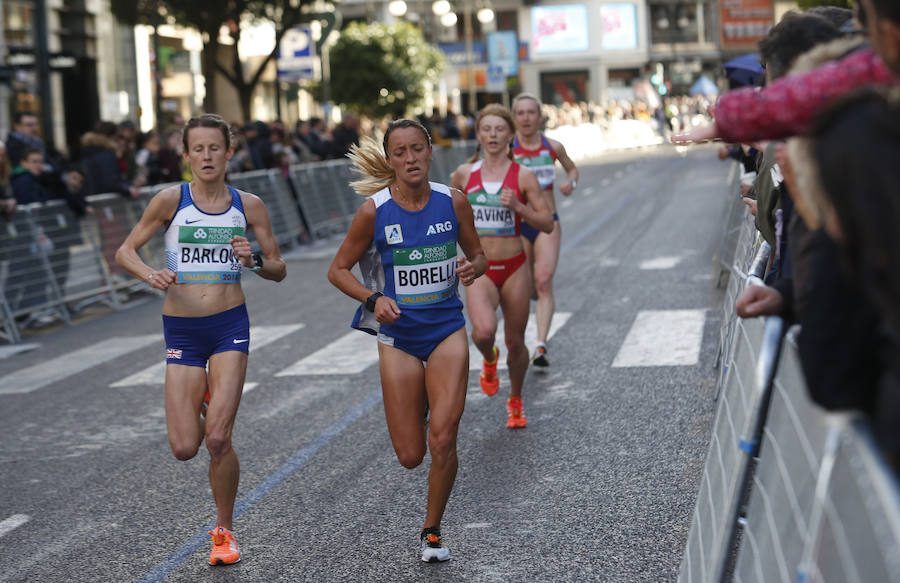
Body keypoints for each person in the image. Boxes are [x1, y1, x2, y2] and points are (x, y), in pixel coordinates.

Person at [114, 114, 286, 566]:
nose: (207, 156)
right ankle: (206, 394)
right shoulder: (170, 200)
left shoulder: (248, 205)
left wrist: (253, 261)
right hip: (183, 331)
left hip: (230, 325)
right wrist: (151, 273)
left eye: (215, 148)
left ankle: (224, 531)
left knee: (216, 439)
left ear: (229, 153)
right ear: (186, 155)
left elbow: (278, 268)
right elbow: (125, 251)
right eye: (198, 149)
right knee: (184, 446)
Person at [327, 118, 487, 563]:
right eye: (400, 152)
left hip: (446, 330)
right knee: (410, 455)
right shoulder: (373, 211)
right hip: (398, 338)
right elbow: (338, 270)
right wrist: (373, 297)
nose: (411, 159)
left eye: (417, 149)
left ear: (430, 150)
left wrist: (475, 267)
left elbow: (478, 254)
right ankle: (419, 404)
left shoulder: (452, 202)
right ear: (390, 159)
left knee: (444, 438)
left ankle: (432, 530)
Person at [450, 104, 553, 428]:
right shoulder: (465, 175)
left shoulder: (523, 175)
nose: (493, 135)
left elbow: (547, 223)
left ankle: (516, 398)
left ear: (510, 135)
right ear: (478, 134)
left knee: (515, 342)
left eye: (499, 129)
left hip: (514, 267)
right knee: (482, 332)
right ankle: (489, 359)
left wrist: (519, 206)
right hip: (480, 268)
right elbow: (445, 215)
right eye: (487, 129)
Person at [509, 93, 578, 369]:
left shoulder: (553, 147)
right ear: (514, 118)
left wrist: (570, 184)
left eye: (530, 112)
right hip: (516, 223)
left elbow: (572, 170)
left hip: (548, 222)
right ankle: (532, 299)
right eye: (520, 113)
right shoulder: (506, 148)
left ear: (539, 116)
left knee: (543, 280)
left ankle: (540, 344)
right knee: (524, 287)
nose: (526, 118)